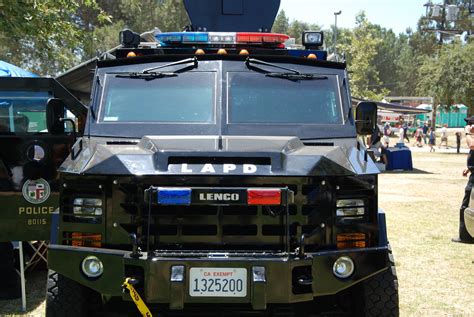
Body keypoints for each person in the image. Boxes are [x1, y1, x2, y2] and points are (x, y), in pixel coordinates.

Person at [453, 117, 474, 243]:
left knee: (466, 206)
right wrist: (469, 168)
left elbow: (471, 145)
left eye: (471, 124)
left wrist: (468, 133)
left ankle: (466, 236)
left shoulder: (470, 136)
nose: (469, 126)